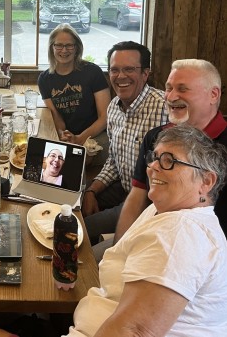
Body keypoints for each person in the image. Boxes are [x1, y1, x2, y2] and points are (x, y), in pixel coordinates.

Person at [0, 126, 227, 337]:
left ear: (206, 181)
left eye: (169, 161)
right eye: (155, 157)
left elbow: (135, 331)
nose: (152, 167)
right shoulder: (165, 211)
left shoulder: (182, 232)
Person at [115, 59, 227, 244]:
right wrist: (119, 249)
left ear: (213, 94)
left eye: (182, 89)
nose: (171, 97)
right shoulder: (155, 137)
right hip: (151, 235)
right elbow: (137, 197)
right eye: (168, 88)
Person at [82, 41, 168, 247]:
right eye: (114, 70)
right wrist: (92, 191)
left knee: (81, 226)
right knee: (73, 205)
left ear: (145, 73)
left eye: (129, 69)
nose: (120, 76)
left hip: (149, 203)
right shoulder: (113, 107)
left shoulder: (164, 107)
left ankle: (92, 262)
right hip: (122, 188)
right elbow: (114, 160)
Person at [38, 24, 111, 166]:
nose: (64, 50)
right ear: (52, 48)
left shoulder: (92, 72)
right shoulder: (44, 79)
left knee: (73, 163)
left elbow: (105, 117)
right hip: (68, 136)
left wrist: (80, 138)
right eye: (58, 45)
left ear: (76, 47)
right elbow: (56, 115)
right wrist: (62, 134)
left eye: (69, 45)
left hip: (96, 134)